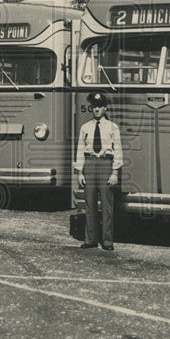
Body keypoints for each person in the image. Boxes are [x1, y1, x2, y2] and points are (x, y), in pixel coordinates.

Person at [75, 91, 124, 251]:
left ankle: (107, 241)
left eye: (100, 106)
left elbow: (118, 150)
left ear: (105, 108)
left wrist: (115, 172)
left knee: (107, 205)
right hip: (90, 164)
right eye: (94, 107)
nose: (96, 109)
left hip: (105, 165)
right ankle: (90, 239)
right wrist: (80, 172)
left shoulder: (112, 127)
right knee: (90, 205)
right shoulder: (85, 128)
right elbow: (80, 150)